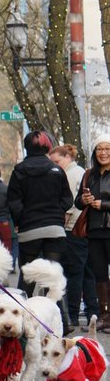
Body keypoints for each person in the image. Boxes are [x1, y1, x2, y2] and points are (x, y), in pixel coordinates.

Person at [7, 129, 72, 332]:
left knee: (28, 276)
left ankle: (19, 319)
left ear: (26, 147)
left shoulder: (19, 171)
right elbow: (67, 200)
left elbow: (13, 202)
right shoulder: (56, 170)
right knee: (54, 276)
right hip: (55, 229)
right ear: (47, 147)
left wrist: (21, 220)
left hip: (29, 230)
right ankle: (64, 321)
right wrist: (56, 213)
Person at [49, 143, 100, 330]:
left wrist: (62, 224)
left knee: (74, 273)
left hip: (73, 229)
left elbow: (69, 205)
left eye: (57, 161)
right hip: (85, 229)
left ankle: (72, 314)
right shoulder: (81, 172)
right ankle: (93, 311)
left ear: (67, 157)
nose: (55, 165)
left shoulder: (70, 174)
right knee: (87, 273)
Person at [74, 134, 110, 333]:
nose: (103, 153)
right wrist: (84, 200)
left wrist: (103, 204)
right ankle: (105, 316)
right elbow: (77, 201)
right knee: (100, 275)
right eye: (99, 149)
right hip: (94, 231)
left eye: (107, 149)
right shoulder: (89, 174)